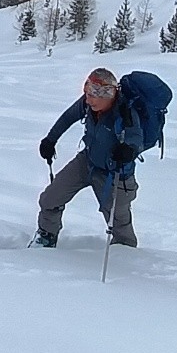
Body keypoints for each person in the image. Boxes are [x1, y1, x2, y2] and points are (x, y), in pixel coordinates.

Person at [32, 67, 141, 249]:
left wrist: (128, 150)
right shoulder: (88, 103)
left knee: (118, 222)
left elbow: (137, 138)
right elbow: (68, 117)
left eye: (92, 96)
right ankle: (46, 236)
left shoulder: (125, 112)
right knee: (50, 198)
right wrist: (50, 140)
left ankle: (124, 255)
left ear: (107, 95)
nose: (87, 100)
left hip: (115, 173)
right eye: (87, 94)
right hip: (87, 161)